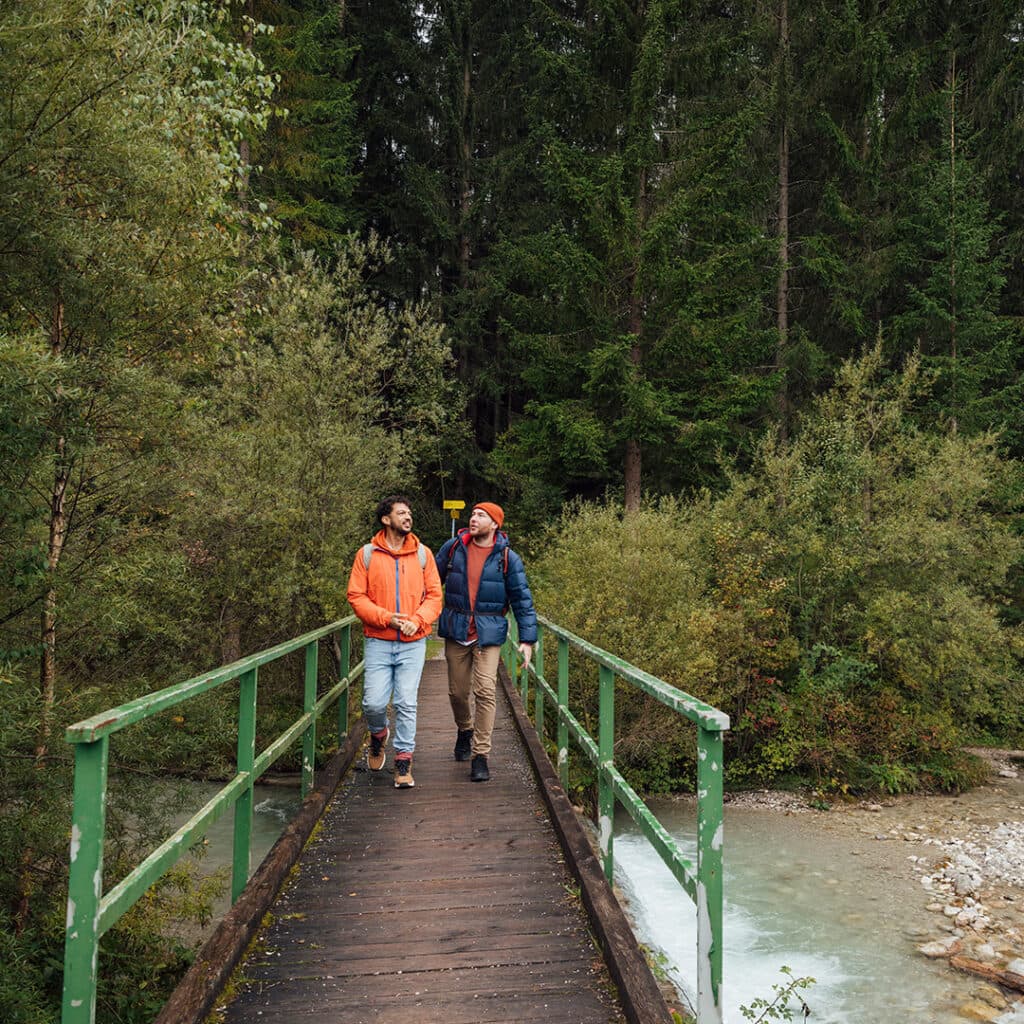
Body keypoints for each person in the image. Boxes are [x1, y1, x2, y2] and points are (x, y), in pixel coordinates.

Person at [435, 502, 537, 782]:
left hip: (488, 632)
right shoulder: (453, 548)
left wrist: (527, 638)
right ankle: (465, 729)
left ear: (495, 524)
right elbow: (430, 581)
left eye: (482, 515)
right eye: (474, 514)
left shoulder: (507, 558)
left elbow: (522, 599)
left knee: (485, 691)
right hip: (457, 628)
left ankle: (481, 755)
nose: (474, 518)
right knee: (457, 692)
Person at [346, 495, 442, 789]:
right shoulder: (367, 555)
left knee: (405, 702)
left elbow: (435, 596)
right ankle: (378, 735)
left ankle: (403, 760)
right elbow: (356, 596)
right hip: (378, 639)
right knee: (373, 703)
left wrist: (419, 620)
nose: (407, 516)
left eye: (409, 512)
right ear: (386, 519)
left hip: (413, 642)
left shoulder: (424, 555)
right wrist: (387, 618)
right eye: (401, 513)